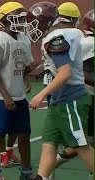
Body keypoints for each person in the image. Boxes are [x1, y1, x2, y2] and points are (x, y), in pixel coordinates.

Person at [26, 2, 94, 179]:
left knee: (80, 144)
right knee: (49, 142)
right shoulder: (71, 33)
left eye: (34, 22)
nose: (33, 27)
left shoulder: (57, 37)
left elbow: (65, 73)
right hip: (60, 99)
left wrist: (41, 94)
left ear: (45, 21)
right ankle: (41, 177)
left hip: (70, 97)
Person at [0, 2, 33, 179]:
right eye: (17, 18)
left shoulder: (23, 38)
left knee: (24, 133)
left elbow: (23, 67)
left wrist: (27, 77)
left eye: (23, 18)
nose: (21, 22)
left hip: (18, 93)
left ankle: (26, 171)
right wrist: (5, 95)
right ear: (3, 21)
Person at [49, 8, 95, 180]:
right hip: (84, 96)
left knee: (85, 142)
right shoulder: (88, 43)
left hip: (83, 95)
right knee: (83, 141)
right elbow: (84, 73)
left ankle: (52, 163)